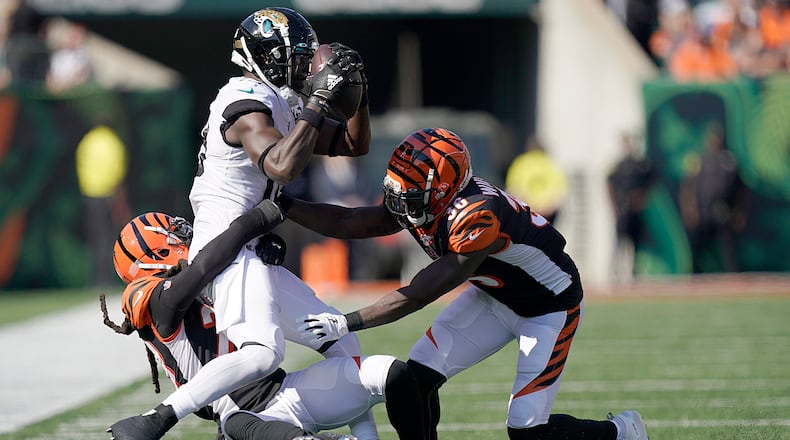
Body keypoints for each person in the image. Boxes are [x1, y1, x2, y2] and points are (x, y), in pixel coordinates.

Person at [107, 7, 374, 439]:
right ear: (268, 58)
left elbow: (351, 143)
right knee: (263, 354)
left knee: (342, 341)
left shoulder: (280, 103)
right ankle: (156, 420)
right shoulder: (244, 103)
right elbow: (282, 167)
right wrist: (320, 101)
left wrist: (359, 90)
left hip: (252, 249)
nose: (307, 66)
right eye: (298, 56)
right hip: (225, 251)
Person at [283, 128, 649, 440]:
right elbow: (354, 223)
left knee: (526, 431)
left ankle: (620, 432)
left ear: (443, 191)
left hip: (548, 309)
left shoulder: (477, 215)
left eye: (410, 194)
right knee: (414, 381)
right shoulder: (430, 199)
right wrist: (286, 205)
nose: (400, 204)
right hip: (493, 296)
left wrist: (348, 321)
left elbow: (423, 291)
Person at [101, 201, 425, 440]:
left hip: (287, 390)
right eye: (173, 233)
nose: (185, 234)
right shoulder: (155, 299)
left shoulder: (213, 276)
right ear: (153, 254)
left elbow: (218, 267)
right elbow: (203, 268)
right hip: (238, 417)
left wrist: (257, 253)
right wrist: (258, 222)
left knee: (394, 374)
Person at [606, 132, 655, 281]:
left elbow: (651, 182)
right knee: (619, 241)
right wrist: (614, 206)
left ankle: (635, 272)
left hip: (636, 210)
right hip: (623, 208)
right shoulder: (617, 165)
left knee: (636, 242)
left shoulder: (641, 164)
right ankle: (615, 272)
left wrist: (642, 199)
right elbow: (609, 185)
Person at [504, 136, 568, 224]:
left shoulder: (521, 162)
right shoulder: (550, 163)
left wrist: (530, 207)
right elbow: (559, 192)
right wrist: (546, 207)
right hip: (547, 213)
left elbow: (513, 189)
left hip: (527, 212)